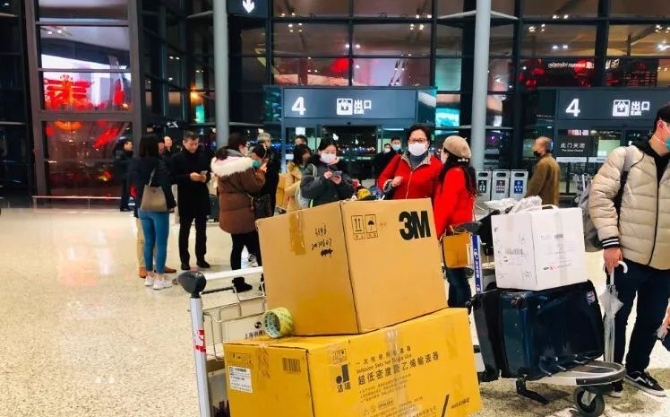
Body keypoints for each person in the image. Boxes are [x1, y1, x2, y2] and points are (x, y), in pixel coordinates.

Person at [589, 104, 670, 397]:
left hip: (665, 263)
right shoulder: (626, 157)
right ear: (662, 125)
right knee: (615, 317)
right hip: (626, 258)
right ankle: (611, 371)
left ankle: (636, 369)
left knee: (651, 319)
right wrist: (610, 243)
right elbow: (600, 197)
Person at [211, 133, 266, 293]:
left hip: (228, 209)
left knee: (236, 247)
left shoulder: (219, 162)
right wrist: (261, 173)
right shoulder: (242, 164)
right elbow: (253, 186)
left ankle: (238, 282)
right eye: (246, 146)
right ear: (241, 146)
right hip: (243, 212)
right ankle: (266, 281)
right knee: (257, 248)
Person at [433, 136, 477, 308]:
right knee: (455, 275)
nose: (440, 153)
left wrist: (435, 233)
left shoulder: (454, 173)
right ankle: (453, 306)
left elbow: (446, 207)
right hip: (461, 230)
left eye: (442, 150)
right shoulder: (467, 172)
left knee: (456, 276)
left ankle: (461, 310)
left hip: (452, 232)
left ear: (449, 153)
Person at [128, 135, 177, 290]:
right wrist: (171, 204)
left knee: (148, 242)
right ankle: (160, 279)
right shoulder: (158, 163)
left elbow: (132, 183)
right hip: (158, 207)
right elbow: (165, 186)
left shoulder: (135, 162)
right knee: (161, 243)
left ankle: (149, 277)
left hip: (142, 206)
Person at [169, 132, 212, 271]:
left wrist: (205, 178)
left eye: (196, 144)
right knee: (185, 230)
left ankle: (201, 257)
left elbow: (209, 173)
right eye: (191, 144)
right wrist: (188, 177)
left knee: (202, 231)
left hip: (201, 196)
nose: (194, 147)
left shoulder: (203, 156)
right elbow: (172, 178)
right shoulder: (176, 158)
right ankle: (184, 260)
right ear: (184, 142)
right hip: (186, 197)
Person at [377, 125, 442, 200]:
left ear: (428, 143)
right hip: (397, 206)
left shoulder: (437, 165)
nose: (416, 143)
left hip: (422, 207)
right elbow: (382, 179)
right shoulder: (398, 159)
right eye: (413, 140)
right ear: (408, 142)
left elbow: (439, 195)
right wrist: (391, 184)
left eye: (420, 140)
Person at [300, 138, 355, 207]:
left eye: (333, 152)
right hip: (317, 211)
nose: (330, 155)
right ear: (319, 151)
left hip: (337, 210)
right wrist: (323, 180)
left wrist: (341, 183)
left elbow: (349, 194)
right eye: (327, 152)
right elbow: (306, 192)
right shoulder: (313, 167)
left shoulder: (340, 167)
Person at [525, 136, 560, 206]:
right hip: (552, 203)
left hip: (542, 204)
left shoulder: (543, 163)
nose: (533, 148)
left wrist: (525, 201)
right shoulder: (553, 162)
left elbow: (535, 186)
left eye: (535, 145)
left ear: (543, 148)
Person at [257, 132, 281, 213]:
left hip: (272, 180)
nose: (269, 143)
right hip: (262, 181)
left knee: (271, 201)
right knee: (262, 204)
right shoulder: (257, 151)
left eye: (269, 141)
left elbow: (277, 164)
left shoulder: (272, 151)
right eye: (268, 141)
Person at [284, 144, 312, 212]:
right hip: (296, 208)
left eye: (308, 153)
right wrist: (301, 182)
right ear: (298, 155)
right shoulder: (291, 169)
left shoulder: (313, 167)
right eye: (304, 153)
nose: (308, 155)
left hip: (310, 207)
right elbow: (287, 191)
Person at [113, 139, 134, 212]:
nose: (131, 146)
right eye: (130, 144)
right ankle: (123, 205)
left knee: (126, 190)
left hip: (127, 174)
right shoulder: (120, 152)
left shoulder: (129, 153)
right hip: (123, 174)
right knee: (125, 190)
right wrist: (129, 162)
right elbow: (118, 162)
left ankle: (124, 205)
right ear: (125, 145)